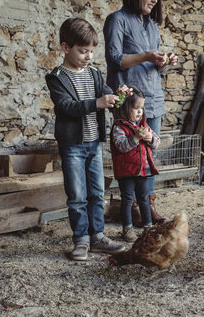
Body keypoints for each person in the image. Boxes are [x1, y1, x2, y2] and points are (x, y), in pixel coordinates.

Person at [45, 18, 125, 261]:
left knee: (97, 192)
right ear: (65, 47)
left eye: (91, 51)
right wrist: (98, 103)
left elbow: (106, 96)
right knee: (77, 195)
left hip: (93, 145)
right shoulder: (57, 77)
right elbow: (67, 106)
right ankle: (81, 241)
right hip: (72, 147)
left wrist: (117, 96)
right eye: (82, 51)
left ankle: (98, 237)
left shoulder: (94, 73)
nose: (88, 56)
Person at [103, 0, 178, 226]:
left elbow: (152, 65)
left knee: (149, 151)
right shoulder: (118, 19)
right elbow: (115, 58)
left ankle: (148, 205)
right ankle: (132, 205)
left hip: (151, 95)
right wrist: (146, 55)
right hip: (128, 99)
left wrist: (164, 61)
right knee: (129, 151)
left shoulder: (152, 25)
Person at [110, 86, 160, 242]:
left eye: (142, 108)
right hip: (126, 172)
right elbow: (121, 146)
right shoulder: (119, 127)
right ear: (125, 108)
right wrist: (136, 138)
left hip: (143, 170)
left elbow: (157, 142)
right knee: (127, 200)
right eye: (136, 108)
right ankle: (127, 229)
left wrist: (149, 139)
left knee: (144, 199)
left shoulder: (144, 126)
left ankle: (148, 227)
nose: (140, 112)